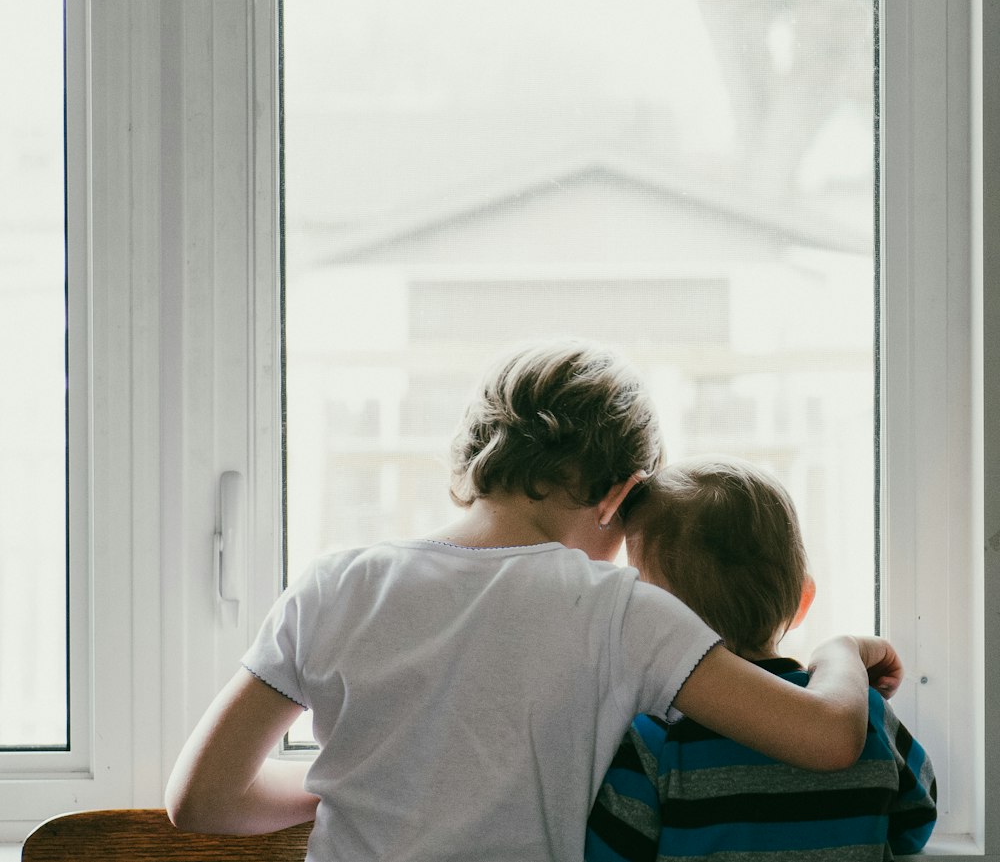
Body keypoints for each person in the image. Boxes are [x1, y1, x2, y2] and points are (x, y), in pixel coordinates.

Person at [166, 340, 903, 862]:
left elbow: (201, 797)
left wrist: (364, 774)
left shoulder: (336, 582)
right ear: (621, 494)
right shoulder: (618, 610)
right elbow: (829, 738)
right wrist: (842, 649)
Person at [586, 457, 936, 862]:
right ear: (803, 600)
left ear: (657, 618)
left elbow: (608, 852)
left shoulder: (654, 738)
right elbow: (916, 825)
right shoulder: (863, 713)